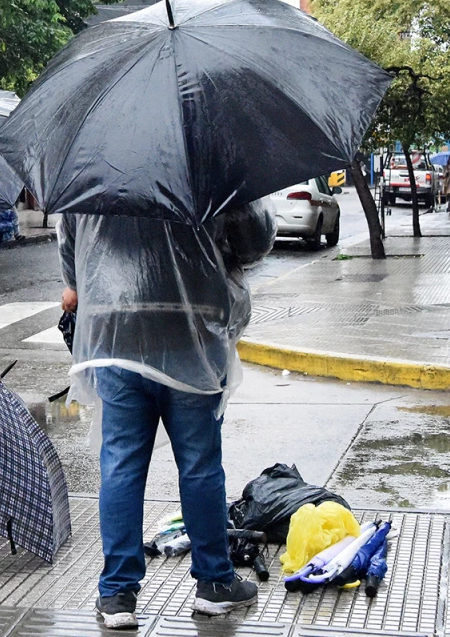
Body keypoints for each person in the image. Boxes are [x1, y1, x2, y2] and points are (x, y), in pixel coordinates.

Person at [58, 200, 276, 628]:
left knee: (120, 463)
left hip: (117, 335)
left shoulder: (91, 164)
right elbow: (253, 241)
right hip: (192, 332)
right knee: (199, 466)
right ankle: (215, 582)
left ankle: (117, 594)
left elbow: (72, 259)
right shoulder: (202, 154)